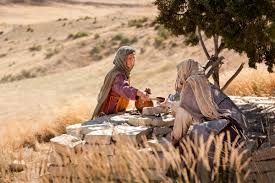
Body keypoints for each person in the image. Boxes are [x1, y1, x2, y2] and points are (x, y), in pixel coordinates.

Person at [160, 59, 248, 146]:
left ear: (184, 71)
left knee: (194, 135)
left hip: (230, 127)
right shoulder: (202, 82)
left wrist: (175, 139)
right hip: (240, 126)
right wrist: (169, 104)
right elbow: (190, 105)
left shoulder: (192, 83)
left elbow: (184, 112)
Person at [91, 46, 150, 119]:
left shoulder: (123, 73)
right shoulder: (117, 75)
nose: (132, 61)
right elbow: (123, 89)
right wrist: (139, 93)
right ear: (122, 59)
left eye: (133, 58)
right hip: (107, 115)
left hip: (116, 113)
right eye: (129, 58)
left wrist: (140, 96)